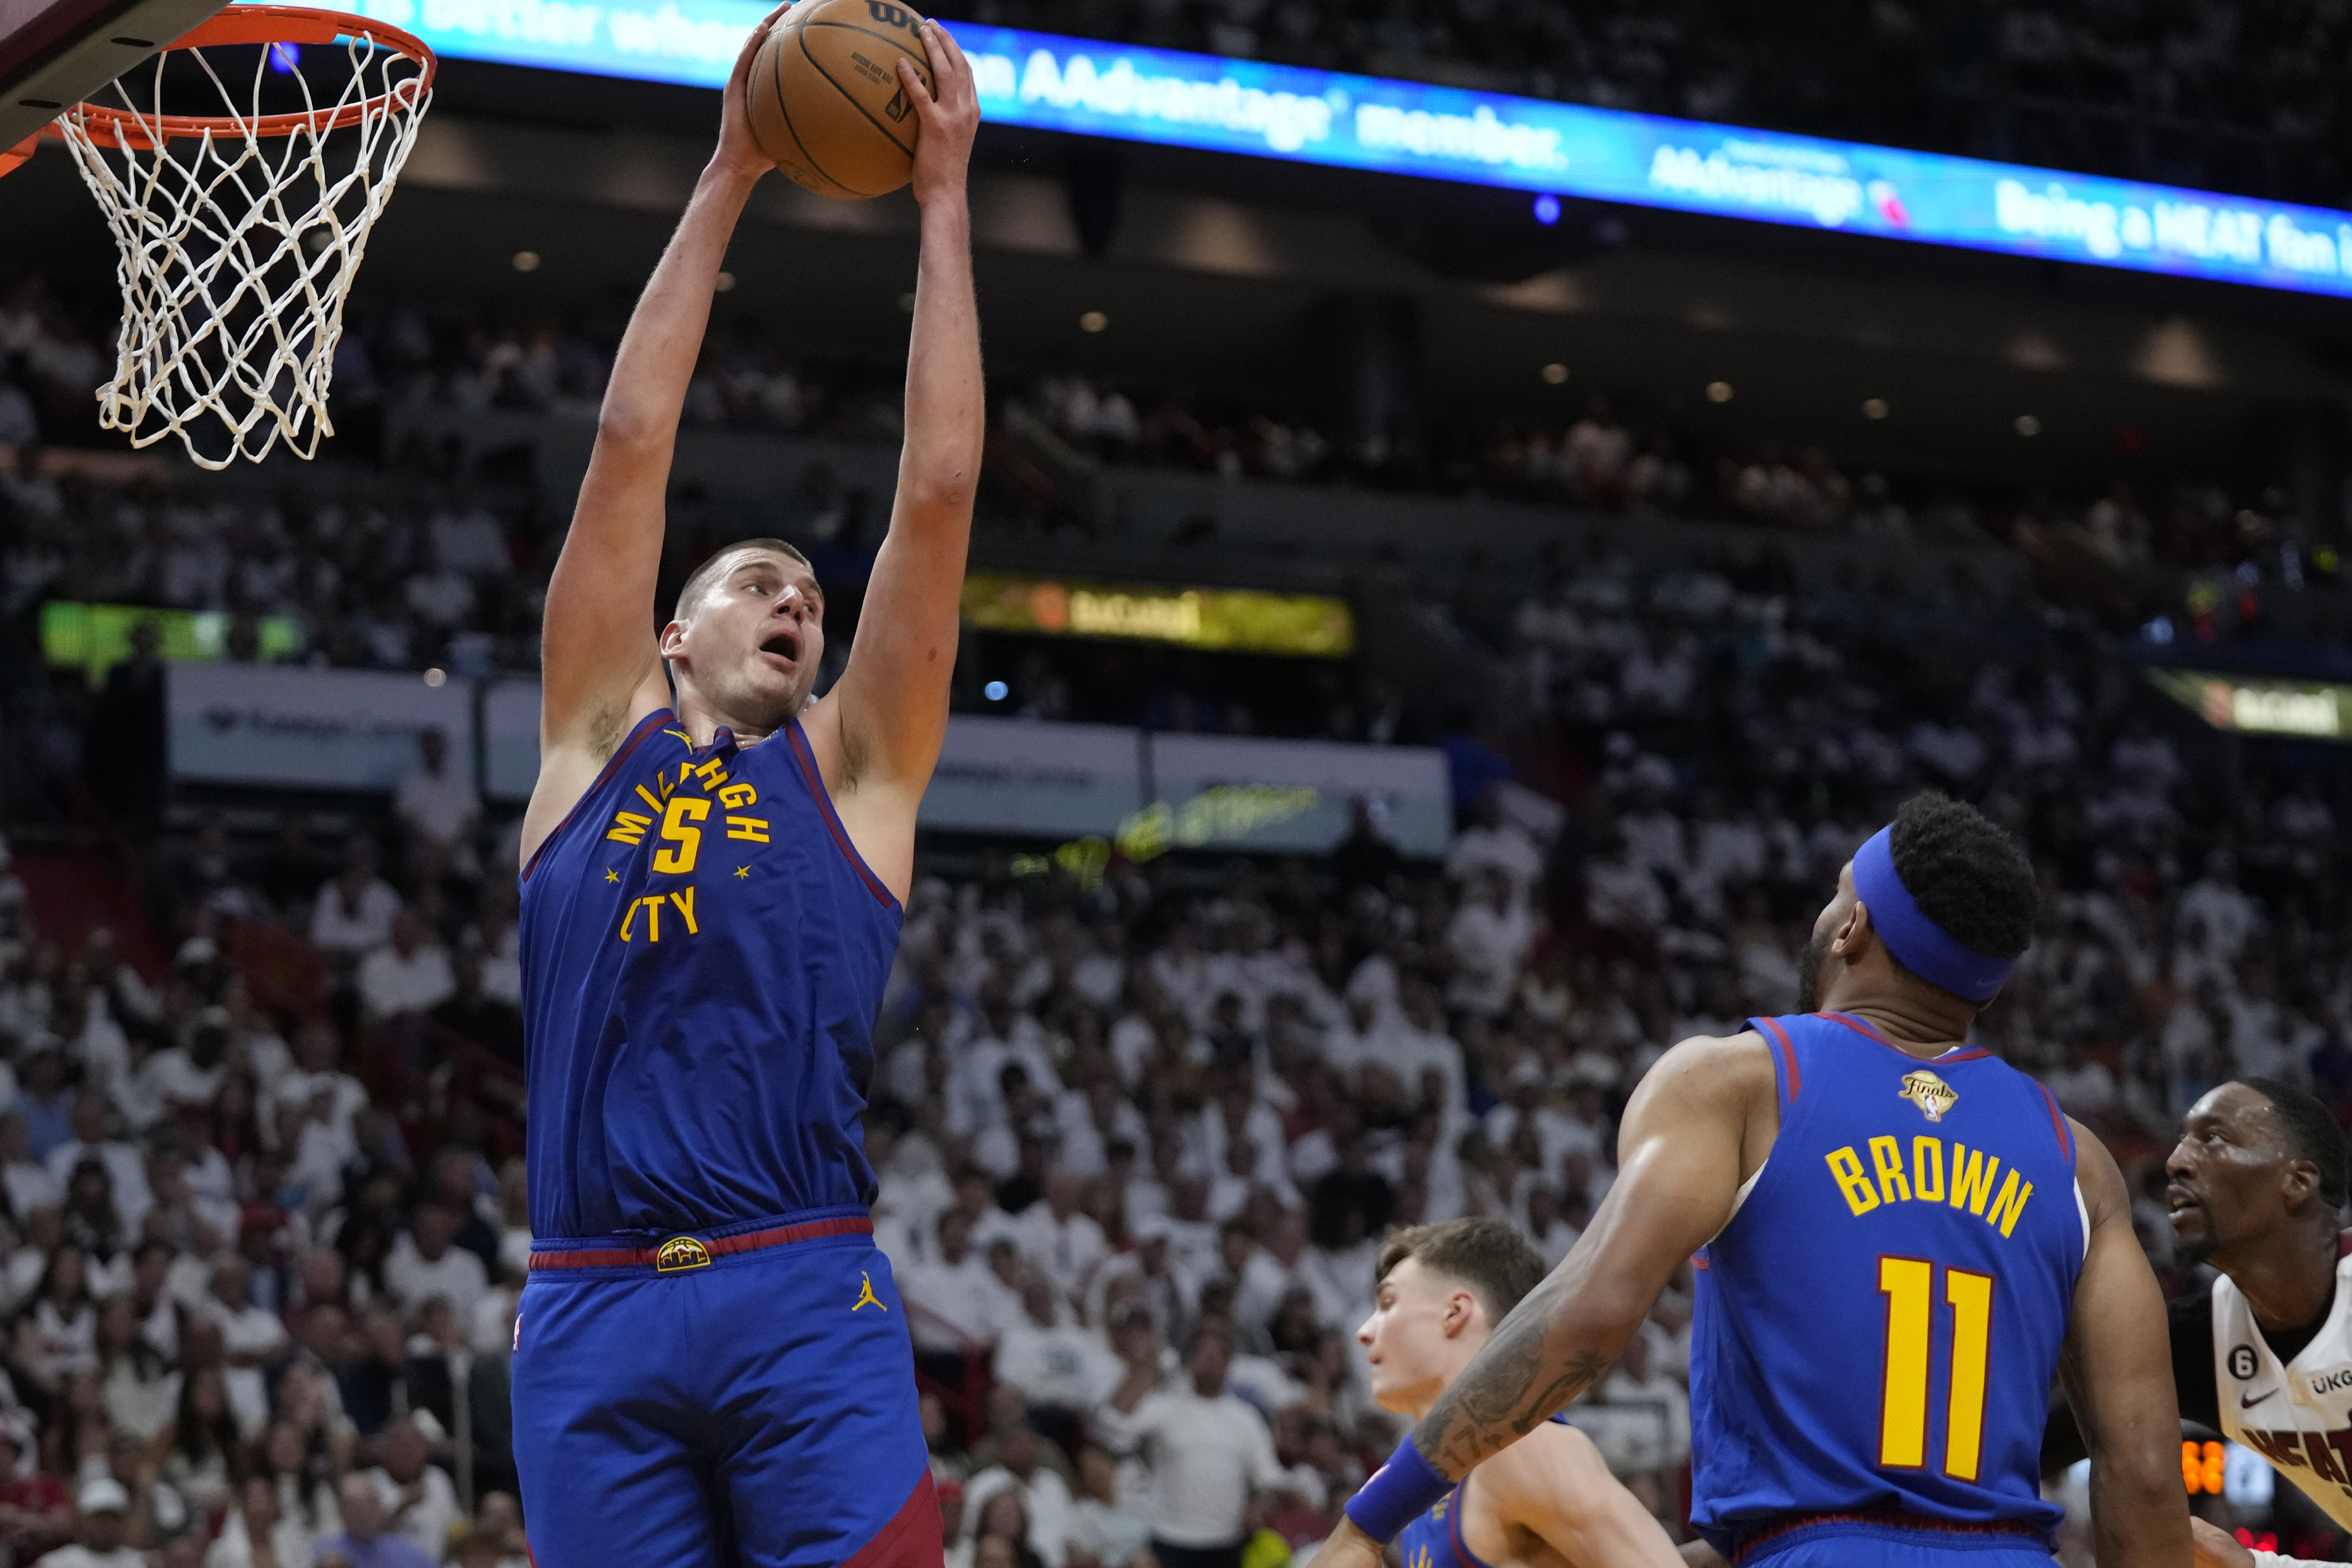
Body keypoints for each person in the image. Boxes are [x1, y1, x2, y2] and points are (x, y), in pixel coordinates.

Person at [505, 6, 982, 1567]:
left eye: (811, 602)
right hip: (588, 1301)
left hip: (797, 1287)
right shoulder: (589, 737)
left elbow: (935, 489)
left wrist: (941, 196)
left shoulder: (853, 770)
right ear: (670, 631)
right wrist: (727, 167)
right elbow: (633, 436)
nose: (798, 604)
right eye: (760, 584)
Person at [1317, 792, 2192, 1568]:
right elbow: (2145, 1470)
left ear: (1852, 928)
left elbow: (1585, 1316)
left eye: (1837, 890)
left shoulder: (1741, 1082)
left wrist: (1367, 1521)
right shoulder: (2074, 1159)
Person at [2042, 1078, 2352, 1568]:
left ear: (2299, 1181)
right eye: (2183, 1138)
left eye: (2214, 1138)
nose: (2176, 1161)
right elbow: (2015, 1453)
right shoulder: (2195, 1345)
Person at [1358, 1218, 1680, 1568]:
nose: (1364, 1331)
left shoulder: (1521, 1449)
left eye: (1388, 1302)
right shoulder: (1428, 1486)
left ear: (1454, 1312)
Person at [1094, 1322, 1289, 1568]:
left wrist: (1258, 1505)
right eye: (1204, 1353)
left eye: (1219, 1355)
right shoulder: (1168, 1407)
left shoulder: (1246, 1419)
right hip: (1170, 1539)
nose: (1211, 1361)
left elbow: (1269, 1479)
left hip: (1226, 1543)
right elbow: (1113, 1420)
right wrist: (1148, 1369)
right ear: (1190, 1360)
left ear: (1229, 1362)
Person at [313, 1475, 435, 1568]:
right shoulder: (326, 1553)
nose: (364, 1514)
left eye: (370, 1504)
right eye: (355, 1507)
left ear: (380, 1505)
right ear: (341, 1511)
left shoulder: (409, 1553)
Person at [31, 1477, 142, 1568]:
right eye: (99, 1518)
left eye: (112, 1518)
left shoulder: (138, 1562)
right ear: (84, 1520)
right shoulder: (59, 1562)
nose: (106, 1525)